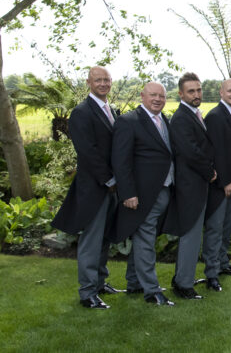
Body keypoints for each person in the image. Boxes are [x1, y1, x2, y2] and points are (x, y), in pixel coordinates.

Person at [52, 66, 121, 309]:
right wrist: (109, 180)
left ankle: (101, 283)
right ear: (88, 83)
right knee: (92, 240)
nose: (103, 83)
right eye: (98, 80)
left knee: (104, 239)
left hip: (113, 186)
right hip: (95, 187)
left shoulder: (111, 109)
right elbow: (88, 152)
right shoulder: (82, 112)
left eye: (107, 80)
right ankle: (87, 292)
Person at [112, 82, 175, 306]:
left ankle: (134, 282)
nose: (157, 99)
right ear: (142, 96)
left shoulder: (164, 120)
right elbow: (121, 161)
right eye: (153, 95)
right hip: (141, 195)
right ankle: (152, 291)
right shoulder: (128, 121)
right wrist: (128, 193)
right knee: (146, 240)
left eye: (161, 96)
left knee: (143, 239)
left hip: (163, 190)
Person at [163, 72, 217, 299]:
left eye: (198, 90)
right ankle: (184, 285)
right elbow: (190, 152)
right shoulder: (182, 118)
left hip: (196, 183)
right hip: (190, 185)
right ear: (181, 93)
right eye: (191, 91)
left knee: (194, 235)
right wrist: (210, 171)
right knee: (191, 235)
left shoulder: (194, 114)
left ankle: (182, 278)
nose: (197, 94)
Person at [203, 79, 231, 285]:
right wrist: (224, 181)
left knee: (227, 226)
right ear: (221, 92)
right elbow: (215, 152)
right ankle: (211, 273)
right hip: (223, 183)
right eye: (230, 91)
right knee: (216, 227)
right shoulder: (215, 116)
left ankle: (222, 263)